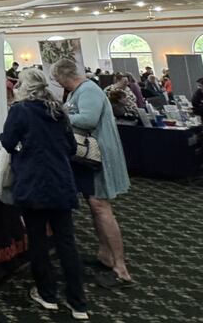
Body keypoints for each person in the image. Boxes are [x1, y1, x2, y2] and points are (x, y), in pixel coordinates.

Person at [0, 68, 88, 319]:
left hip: (33, 182)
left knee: (38, 239)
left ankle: (47, 293)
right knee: (66, 242)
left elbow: (7, 142)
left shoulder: (20, 110)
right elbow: (71, 147)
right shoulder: (58, 111)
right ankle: (78, 302)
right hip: (61, 181)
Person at [52, 58, 133, 288]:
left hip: (97, 157)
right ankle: (106, 255)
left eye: (57, 79)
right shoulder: (85, 89)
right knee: (95, 206)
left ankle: (120, 268)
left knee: (101, 207)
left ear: (63, 76)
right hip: (90, 158)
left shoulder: (88, 90)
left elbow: (87, 120)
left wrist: (61, 115)